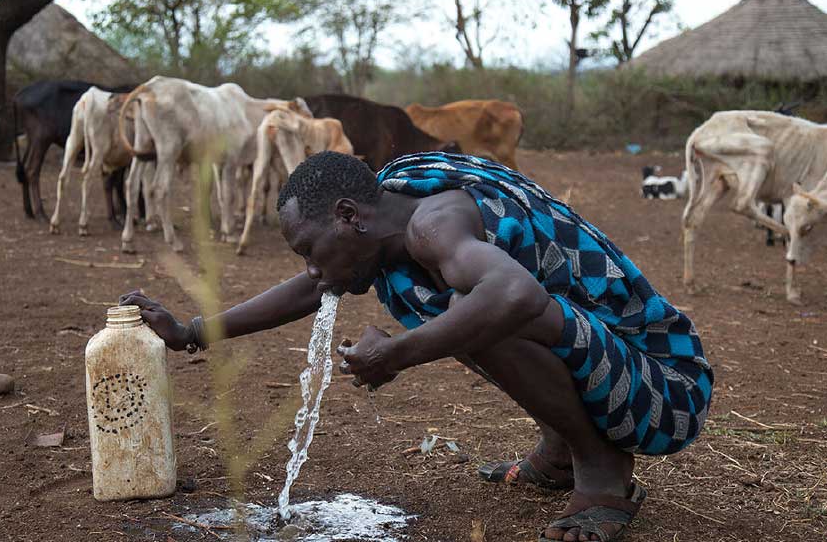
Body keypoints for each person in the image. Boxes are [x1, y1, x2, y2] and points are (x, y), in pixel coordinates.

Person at [121, 151, 713, 542]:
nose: (309, 265)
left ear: (348, 215)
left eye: (308, 247)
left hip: (666, 393)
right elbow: (311, 287)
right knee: (465, 309)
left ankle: (603, 469)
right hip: (613, 366)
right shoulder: (386, 216)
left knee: (477, 306)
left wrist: (398, 353)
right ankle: (562, 448)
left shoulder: (434, 223)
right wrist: (192, 333)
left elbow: (513, 291)